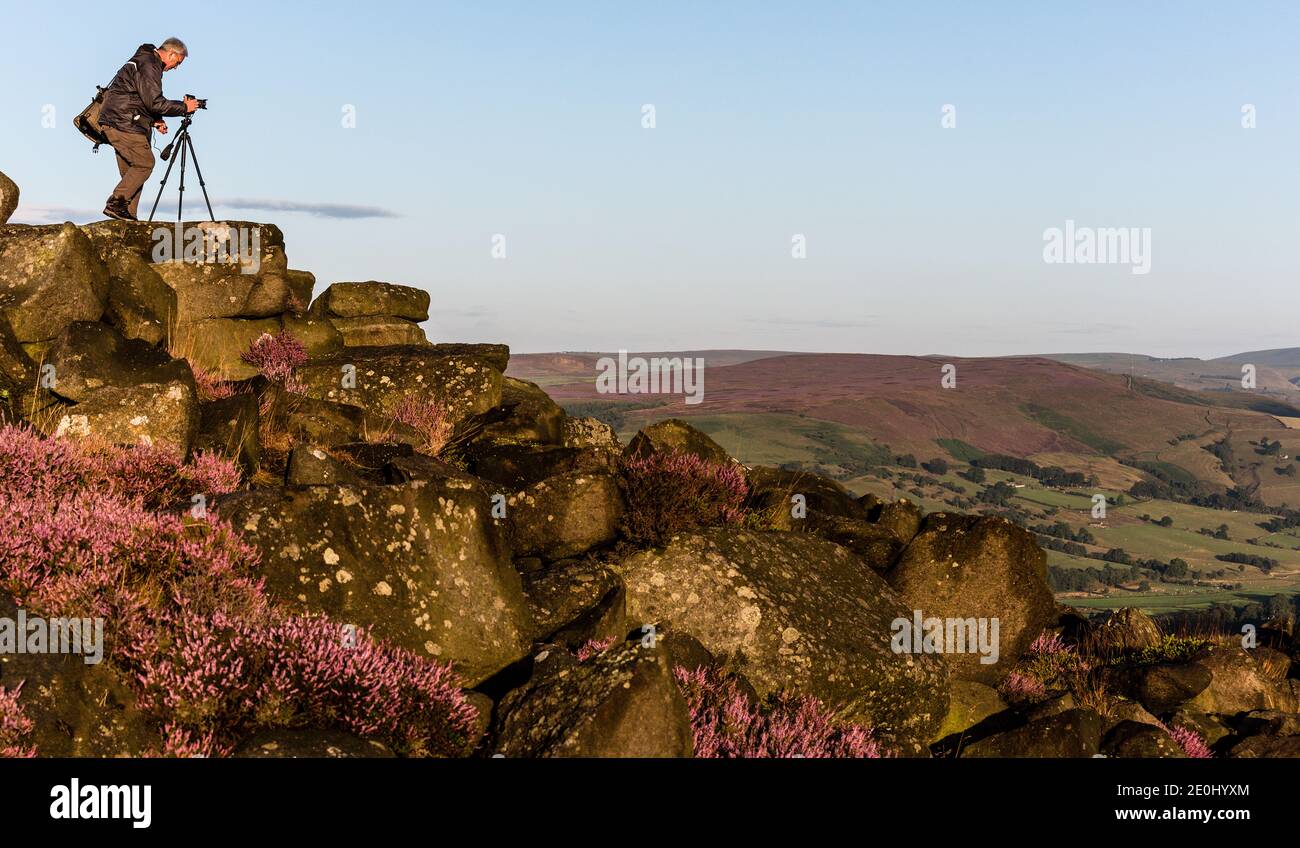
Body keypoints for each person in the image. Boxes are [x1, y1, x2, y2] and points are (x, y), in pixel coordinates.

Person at [99, 38, 199, 221]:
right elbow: (154, 102)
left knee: (133, 172)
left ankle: (127, 216)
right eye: (177, 63)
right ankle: (115, 203)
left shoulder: (143, 60)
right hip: (124, 123)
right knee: (144, 164)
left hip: (116, 120)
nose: (175, 68)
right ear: (171, 54)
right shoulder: (150, 64)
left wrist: (153, 120)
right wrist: (185, 108)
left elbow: (136, 96)